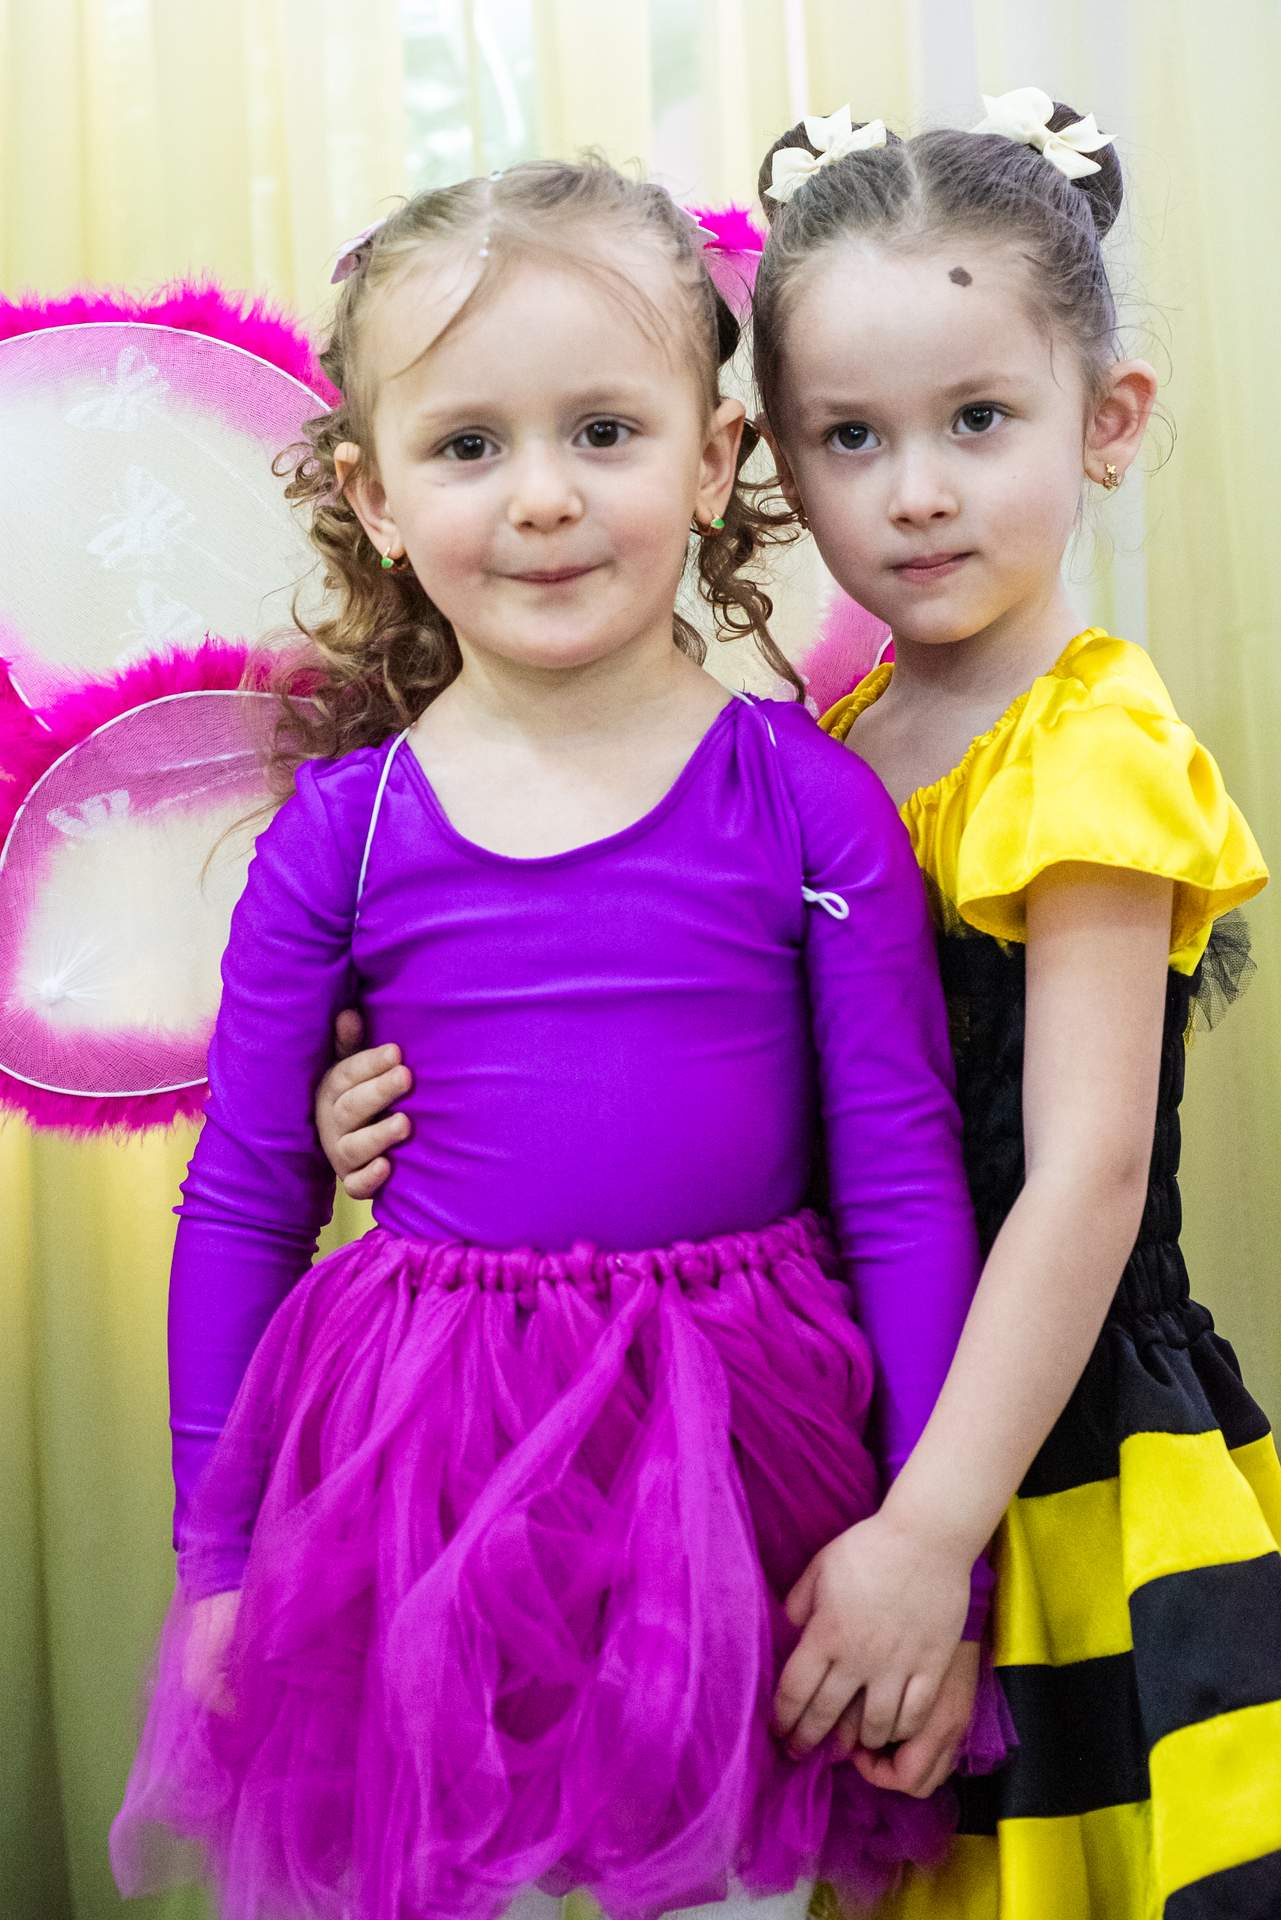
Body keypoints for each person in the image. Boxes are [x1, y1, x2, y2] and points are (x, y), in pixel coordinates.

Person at [110, 158, 1005, 1920]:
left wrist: (939, 1565)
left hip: (746, 1472)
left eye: (603, 432)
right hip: (419, 1481)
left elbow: (903, 1184)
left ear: (712, 457)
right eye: (469, 446)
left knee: (730, 1886)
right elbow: (246, 1198)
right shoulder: (345, 834)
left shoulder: (807, 803)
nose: (541, 498)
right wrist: (215, 1557)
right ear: (373, 495)